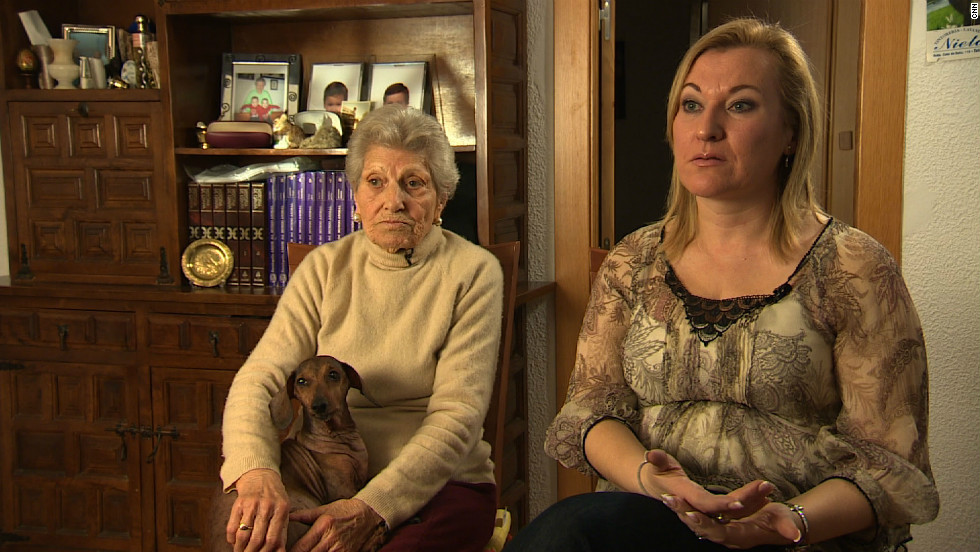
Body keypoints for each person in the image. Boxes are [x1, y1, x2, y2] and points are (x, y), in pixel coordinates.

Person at [507, 17, 938, 552]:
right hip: (650, 520)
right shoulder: (632, 261)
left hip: (797, 534)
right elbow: (592, 412)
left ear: (790, 132)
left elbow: (890, 465)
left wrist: (786, 521)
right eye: (691, 104)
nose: (706, 127)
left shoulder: (855, 269)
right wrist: (652, 479)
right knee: (561, 535)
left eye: (740, 105)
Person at [218, 104, 504, 552]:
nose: (394, 201)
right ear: (355, 197)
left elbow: (458, 418)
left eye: (414, 183)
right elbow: (258, 379)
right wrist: (256, 471)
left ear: (441, 199)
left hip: (437, 487)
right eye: (376, 182)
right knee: (243, 530)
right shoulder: (323, 268)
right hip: (317, 473)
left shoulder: (473, 271)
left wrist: (373, 506)